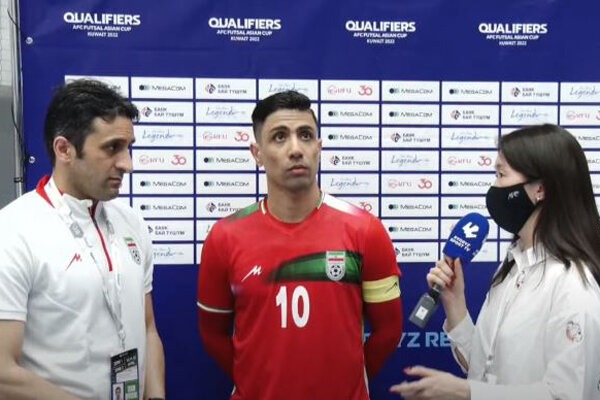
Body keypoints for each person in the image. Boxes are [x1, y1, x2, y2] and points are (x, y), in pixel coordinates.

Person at [197, 90, 403, 399]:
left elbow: (388, 331)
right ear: (257, 153)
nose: (295, 149)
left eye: (305, 135)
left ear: (318, 147)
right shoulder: (224, 236)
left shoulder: (366, 230)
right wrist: (256, 383)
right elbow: (213, 334)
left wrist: (346, 384)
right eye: (279, 137)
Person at [390, 124, 600, 400]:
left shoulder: (572, 284)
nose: (493, 187)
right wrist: (455, 304)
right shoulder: (511, 267)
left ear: (540, 189)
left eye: (501, 175)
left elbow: (566, 395)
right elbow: (484, 370)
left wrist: (466, 392)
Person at [0, 79, 166, 399]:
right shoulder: (13, 231)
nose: (127, 164)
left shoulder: (132, 223)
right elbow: (3, 372)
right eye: (112, 148)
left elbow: (147, 328)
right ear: (64, 149)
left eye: (128, 147)